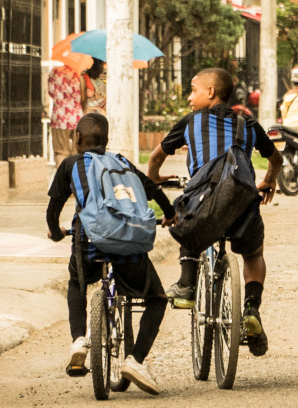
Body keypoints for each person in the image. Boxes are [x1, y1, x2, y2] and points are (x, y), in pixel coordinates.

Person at [147, 68, 283, 357]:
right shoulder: (248, 124)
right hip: (242, 203)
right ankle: (251, 309)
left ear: (210, 92)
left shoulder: (191, 122)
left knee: (185, 216)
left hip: (205, 203)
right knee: (253, 254)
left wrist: (155, 179)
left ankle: (186, 285)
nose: (189, 97)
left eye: (193, 90)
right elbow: (276, 158)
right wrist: (269, 180)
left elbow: (156, 156)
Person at [47, 113, 174, 395]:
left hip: (89, 243)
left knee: (77, 282)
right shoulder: (122, 162)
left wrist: (55, 232)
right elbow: (153, 190)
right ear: (106, 140)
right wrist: (170, 214)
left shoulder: (70, 164)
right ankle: (135, 360)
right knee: (157, 298)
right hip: (128, 243)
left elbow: (53, 210)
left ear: (77, 138)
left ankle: (79, 340)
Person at [48, 64, 83, 165]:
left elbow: (51, 92)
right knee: (77, 150)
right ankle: (75, 172)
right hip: (77, 117)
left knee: (60, 151)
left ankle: (62, 172)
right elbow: (83, 94)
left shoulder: (54, 72)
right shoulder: (79, 73)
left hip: (59, 118)